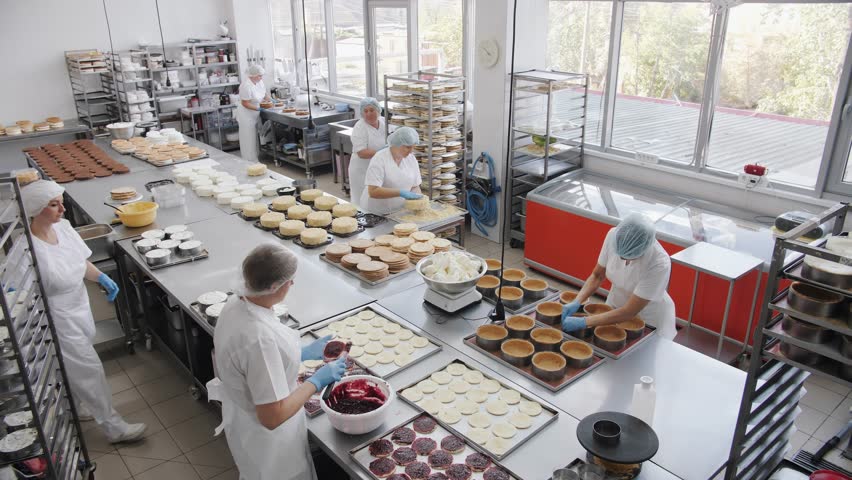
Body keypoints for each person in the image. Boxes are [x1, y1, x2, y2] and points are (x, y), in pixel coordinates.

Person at [18, 180, 147, 442]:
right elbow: (22, 293)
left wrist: (100, 277)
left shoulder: (63, 228)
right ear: (36, 209)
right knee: (88, 368)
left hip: (79, 306)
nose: (62, 209)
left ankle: (79, 406)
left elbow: (80, 261)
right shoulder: (28, 248)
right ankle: (114, 427)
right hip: (55, 316)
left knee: (76, 364)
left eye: (61, 202)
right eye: (53, 205)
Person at [209, 244, 346, 480]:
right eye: (289, 280)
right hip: (270, 442)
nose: (292, 284)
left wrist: (299, 352)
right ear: (274, 286)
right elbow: (272, 416)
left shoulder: (239, 302)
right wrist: (316, 381)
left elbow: (250, 362)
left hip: (244, 420)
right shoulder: (259, 339)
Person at [561, 213, 677, 340]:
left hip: (647, 314)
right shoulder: (614, 235)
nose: (622, 259)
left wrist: (584, 322)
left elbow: (629, 312)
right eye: (620, 254)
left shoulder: (659, 263)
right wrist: (577, 301)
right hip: (615, 303)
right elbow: (597, 275)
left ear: (644, 249)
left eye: (629, 256)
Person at [360, 127, 423, 214]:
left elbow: (415, 186)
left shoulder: (411, 159)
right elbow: (373, 191)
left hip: (399, 210)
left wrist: (418, 201)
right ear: (397, 144)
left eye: (413, 147)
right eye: (408, 147)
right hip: (377, 211)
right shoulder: (380, 159)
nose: (411, 151)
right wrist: (400, 192)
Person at [348, 97, 387, 204]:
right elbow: (361, 153)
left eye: (372, 110)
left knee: (378, 198)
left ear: (378, 110)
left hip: (378, 167)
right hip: (362, 169)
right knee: (361, 198)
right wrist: (383, 152)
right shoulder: (360, 127)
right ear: (362, 113)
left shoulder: (384, 122)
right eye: (365, 111)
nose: (369, 114)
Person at [237, 64, 271, 163]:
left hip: (254, 113)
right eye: (259, 75)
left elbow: (264, 94)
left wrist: (272, 101)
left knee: (254, 139)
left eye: (261, 75)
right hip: (246, 114)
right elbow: (245, 103)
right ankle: (248, 161)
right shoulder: (245, 86)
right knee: (248, 139)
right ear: (252, 75)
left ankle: (255, 159)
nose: (261, 77)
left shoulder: (259, 82)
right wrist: (259, 108)